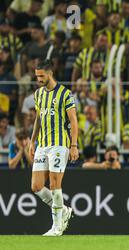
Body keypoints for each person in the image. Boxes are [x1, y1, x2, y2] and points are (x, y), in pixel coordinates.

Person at [28, 59, 79, 237]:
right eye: (37, 76)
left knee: (55, 184)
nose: (38, 79)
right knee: (36, 186)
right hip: (42, 144)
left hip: (59, 144)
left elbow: (73, 120)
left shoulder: (65, 93)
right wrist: (31, 140)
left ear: (50, 73)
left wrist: (74, 145)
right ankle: (63, 210)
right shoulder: (38, 94)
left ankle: (57, 227)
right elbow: (38, 118)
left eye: (41, 76)